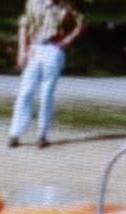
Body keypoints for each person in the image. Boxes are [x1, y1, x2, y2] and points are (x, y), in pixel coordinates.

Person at [7, 0, 85, 149]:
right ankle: (15, 133)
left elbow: (81, 24)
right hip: (35, 48)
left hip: (53, 49)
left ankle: (42, 134)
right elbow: (24, 25)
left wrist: (65, 42)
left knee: (46, 94)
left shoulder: (66, 5)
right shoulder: (33, 3)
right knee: (25, 92)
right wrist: (22, 51)